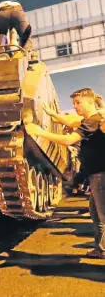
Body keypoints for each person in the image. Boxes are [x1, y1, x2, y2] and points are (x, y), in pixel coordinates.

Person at [26, 88, 105, 259]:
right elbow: (71, 122)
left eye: (78, 103)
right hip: (95, 175)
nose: (75, 106)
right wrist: (53, 114)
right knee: (95, 213)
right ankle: (101, 249)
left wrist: (40, 132)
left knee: (103, 216)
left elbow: (69, 139)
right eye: (74, 103)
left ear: (90, 102)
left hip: (101, 175)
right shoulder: (91, 120)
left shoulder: (94, 120)